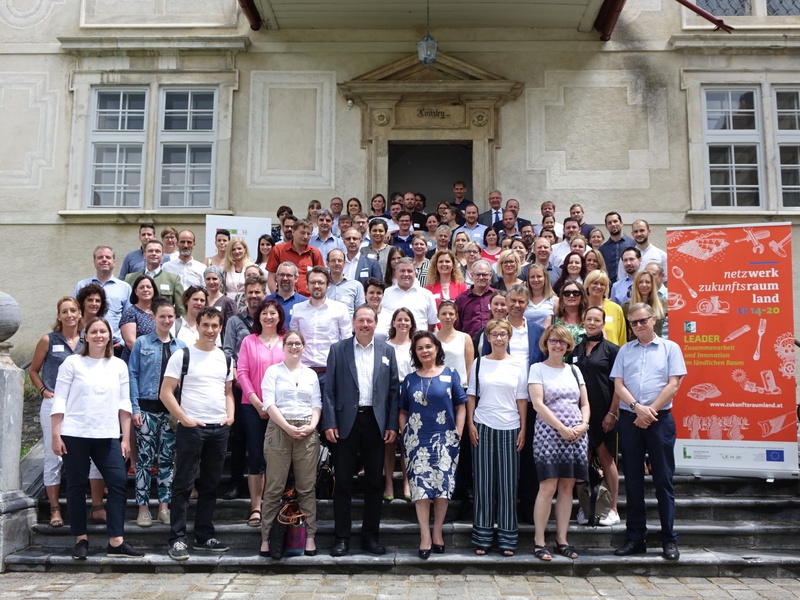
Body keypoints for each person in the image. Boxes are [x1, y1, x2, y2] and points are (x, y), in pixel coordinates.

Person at [51, 317, 143, 559]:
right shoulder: (72, 363)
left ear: (110, 336)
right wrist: (55, 434)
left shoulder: (118, 366)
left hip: (107, 434)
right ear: (86, 336)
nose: (99, 335)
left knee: (118, 481)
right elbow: (59, 399)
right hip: (74, 433)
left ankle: (116, 540)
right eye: (94, 331)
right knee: (76, 486)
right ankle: (81, 539)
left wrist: (125, 439)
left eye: (103, 331)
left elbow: (124, 404)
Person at [612, 303, 687, 561]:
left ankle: (669, 539)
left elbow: (674, 384)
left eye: (643, 321)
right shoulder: (625, 350)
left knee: (663, 481)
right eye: (633, 323)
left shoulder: (670, 348)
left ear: (653, 320)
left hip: (660, 420)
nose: (638, 326)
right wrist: (636, 408)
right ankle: (635, 538)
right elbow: (618, 384)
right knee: (632, 481)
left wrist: (650, 411)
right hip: (631, 420)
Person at [324, 304, 399, 557]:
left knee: (374, 483)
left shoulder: (387, 351)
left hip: (376, 424)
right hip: (346, 423)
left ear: (376, 324)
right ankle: (341, 538)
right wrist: (330, 422)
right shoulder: (338, 349)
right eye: (361, 321)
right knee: (343, 482)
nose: (365, 325)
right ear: (353, 323)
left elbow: (393, 392)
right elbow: (329, 391)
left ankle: (370, 537)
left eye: (369, 320)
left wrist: (391, 424)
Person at [161, 308, 235, 561]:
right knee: (183, 484)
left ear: (220, 326)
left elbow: (228, 392)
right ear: (198, 326)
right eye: (206, 325)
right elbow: (166, 392)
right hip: (192, 428)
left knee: (211, 485)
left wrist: (230, 417)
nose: (210, 330)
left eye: (215, 325)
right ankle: (178, 539)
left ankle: (204, 536)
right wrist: (185, 419)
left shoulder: (225, 358)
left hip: (219, 428)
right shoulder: (182, 355)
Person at [29, 297, 100, 529]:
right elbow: (33, 370)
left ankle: (96, 507)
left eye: (73, 310)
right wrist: (43, 390)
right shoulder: (48, 340)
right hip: (53, 405)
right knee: (53, 457)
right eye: (64, 311)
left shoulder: (87, 339)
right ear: (58, 316)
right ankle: (55, 509)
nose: (69, 315)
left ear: (80, 314)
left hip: (81, 405)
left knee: (91, 454)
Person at [400, 331, 467, 559]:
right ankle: (424, 535)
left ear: (437, 348)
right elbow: (402, 410)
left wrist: (458, 432)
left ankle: (437, 530)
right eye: (420, 348)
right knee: (420, 491)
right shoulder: (410, 379)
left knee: (442, 489)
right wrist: (405, 433)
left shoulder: (451, 374)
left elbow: (461, 405)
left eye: (428, 346)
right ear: (415, 353)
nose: (425, 351)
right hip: (417, 441)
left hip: (445, 440)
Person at [466, 319, 528, 556]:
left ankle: (507, 539)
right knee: (483, 484)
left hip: (511, 427)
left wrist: (523, 428)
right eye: (495, 334)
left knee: (508, 485)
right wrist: (470, 423)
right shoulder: (479, 363)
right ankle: (482, 538)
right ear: (488, 338)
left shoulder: (518, 365)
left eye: (503, 334)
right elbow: (471, 395)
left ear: (509, 337)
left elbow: (522, 399)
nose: (499, 339)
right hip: (483, 425)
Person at [528, 324, 590, 561]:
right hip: (549, 434)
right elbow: (538, 404)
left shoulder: (574, 370)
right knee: (548, 486)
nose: (557, 345)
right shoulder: (537, 369)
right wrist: (561, 428)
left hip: (576, 435)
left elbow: (584, 403)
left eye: (562, 342)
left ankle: (562, 540)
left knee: (567, 487)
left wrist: (583, 425)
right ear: (546, 343)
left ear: (568, 345)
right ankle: (539, 541)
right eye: (553, 340)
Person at [257, 330, 321, 557]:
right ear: (283, 347)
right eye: (290, 343)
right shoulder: (273, 372)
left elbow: (316, 404)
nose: (294, 347)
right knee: (274, 487)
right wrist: (287, 427)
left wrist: (312, 426)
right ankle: (266, 538)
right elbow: (269, 404)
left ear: (304, 346)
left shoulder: (311, 374)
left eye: (298, 343)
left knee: (306, 487)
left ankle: (310, 536)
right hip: (279, 429)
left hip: (306, 431)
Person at [128, 298, 186, 528]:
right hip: (146, 409)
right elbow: (132, 375)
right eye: (162, 316)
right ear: (153, 317)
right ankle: (143, 508)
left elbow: (184, 383)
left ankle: (164, 506)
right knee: (143, 460)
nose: (166, 320)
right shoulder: (142, 344)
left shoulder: (180, 347)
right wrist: (134, 408)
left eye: (170, 316)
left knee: (167, 460)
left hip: (170, 413)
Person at [236, 299, 287, 528]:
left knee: (279, 456)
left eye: (273, 313)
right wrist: (258, 403)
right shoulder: (249, 341)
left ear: (279, 317)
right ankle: (256, 507)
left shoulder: (287, 342)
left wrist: (272, 405)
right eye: (264, 313)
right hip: (252, 406)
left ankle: (274, 503)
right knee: (256, 456)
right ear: (259, 317)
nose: (268, 317)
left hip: (282, 408)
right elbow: (242, 374)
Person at [571, 306, 621, 526]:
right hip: (580, 414)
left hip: (604, 413)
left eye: (596, 320)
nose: (592, 323)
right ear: (583, 322)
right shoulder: (575, 350)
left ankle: (613, 508)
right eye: (588, 319)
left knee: (607, 458)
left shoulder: (612, 350)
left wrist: (612, 412)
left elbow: (619, 385)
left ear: (603, 323)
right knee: (582, 461)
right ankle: (584, 508)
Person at [222, 275, 268, 500]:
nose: (254, 296)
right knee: (239, 438)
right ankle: (235, 484)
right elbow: (228, 352)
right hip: (240, 387)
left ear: (264, 293)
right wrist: (235, 379)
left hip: (265, 389)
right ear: (244, 295)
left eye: (258, 292)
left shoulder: (270, 320)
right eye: (250, 292)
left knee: (262, 440)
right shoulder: (234, 321)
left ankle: (264, 485)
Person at [290, 266, 352, 397]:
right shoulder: (297, 309)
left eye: (321, 282)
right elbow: (293, 342)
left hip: (330, 372)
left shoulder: (340, 309)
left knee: (329, 415)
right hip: (304, 372)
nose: (316, 286)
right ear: (307, 285)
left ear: (328, 285)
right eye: (313, 282)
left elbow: (346, 343)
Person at [383, 308, 416, 502]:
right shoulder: (385, 346)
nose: (403, 323)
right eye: (399, 319)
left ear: (411, 323)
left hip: (411, 396)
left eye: (406, 319)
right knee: (389, 441)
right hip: (389, 396)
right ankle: (388, 482)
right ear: (393, 323)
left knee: (407, 443)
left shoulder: (416, 345)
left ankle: (406, 481)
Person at [73, 245, 131, 349]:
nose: (104, 260)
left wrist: (122, 342)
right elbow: (75, 314)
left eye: (108, 257)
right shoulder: (82, 285)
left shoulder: (125, 287)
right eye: (100, 257)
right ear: (94, 262)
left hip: (115, 345)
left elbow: (129, 318)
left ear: (114, 262)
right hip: (85, 343)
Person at [124, 240, 184, 317]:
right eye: (150, 251)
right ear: (144, 255)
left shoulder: (173, 280)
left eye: (157, 251)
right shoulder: (130, 278)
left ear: (162, 255)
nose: (154, 253)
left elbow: (181, 309)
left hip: (164, 325)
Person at [266, 219, 325, 297]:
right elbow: (271, 278)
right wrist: (277, 299)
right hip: (285, 299)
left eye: (308, 234)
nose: (305, 236)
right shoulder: (278, 250)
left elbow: (321, 277)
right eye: (302, 233)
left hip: (308, 300)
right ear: (293, 232)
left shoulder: (314, 253)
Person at [382, 258, 438, 332]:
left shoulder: (427, 294)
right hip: (392, 341)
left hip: (419, 341)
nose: (406, 274)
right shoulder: (386, 293)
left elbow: (432, 323)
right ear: (396, 272)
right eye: (402, 271)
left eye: (409, 271)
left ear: (415, 273)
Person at [119, 275, 158, 362]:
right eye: (141, 287)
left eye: (148, 287)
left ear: (153, 290)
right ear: (136, 291)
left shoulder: (159, 312)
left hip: (157, 361)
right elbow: (130, 342)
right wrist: (150, 357)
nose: (145, 289)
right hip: (137, 361)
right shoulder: (131, 312)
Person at [616, 219, 668, 285]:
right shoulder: (626, 256)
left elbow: (666, 281)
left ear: (649, 231)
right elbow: (621, 280)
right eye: (636, 231)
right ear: (632, 234)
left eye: (642, 230)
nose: (639, 234)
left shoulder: (662, 255)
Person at [584, 269, 627, 347]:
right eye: (595, 283)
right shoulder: (581, 308)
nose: (598, 286)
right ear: (587, 285)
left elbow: (622, 339)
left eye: (602, 284)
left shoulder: (616, 309)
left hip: (611, 357)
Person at [454, 260, 495, 338]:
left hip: (494, 343)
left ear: (490, 275)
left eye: (485, 274)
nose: (481, 277)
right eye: (478, 274)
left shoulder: (497, 296)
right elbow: (457, 326)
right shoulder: (461, 299)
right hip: (470, 344)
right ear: (472, 275)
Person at [623, 270, 666, 340]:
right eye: (640, 282)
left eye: (647, 282)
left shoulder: (662, 303)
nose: (644, 285)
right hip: (636, 347)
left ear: (652, 284)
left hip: (658, 346)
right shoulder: (627, 306)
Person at [266, 261, 308, 329]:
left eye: (289, 275)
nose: (285, 278)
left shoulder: (305, 303)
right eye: (282, 275)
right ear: (276, 277)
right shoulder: (266, 301)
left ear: (296, 278)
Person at [326, 248, 365, 318]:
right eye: (333, 260)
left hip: (348, 327)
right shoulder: (322, 286)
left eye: (340, 261)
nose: (337, 263)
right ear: (327, 263)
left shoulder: (356, 286)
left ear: (344, 263)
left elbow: (361, 312)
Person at [599, 212, 635, 285]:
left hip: (630, 287)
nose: (613, 224)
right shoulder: (602, 249)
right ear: (606, 226)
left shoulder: (633, 244)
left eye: (615, 221)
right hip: (608, 288)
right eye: (609, 223)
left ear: (621, 223)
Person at [204, 266, 237, 333]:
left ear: (221, 280)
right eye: (208, 279)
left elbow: (232, 327)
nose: (211, 282)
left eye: (214, 279)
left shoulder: (228, 302)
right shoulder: (201, 300)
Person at [222, 237, 253, 305]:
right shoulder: (225, 269)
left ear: (245, 249)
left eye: (239, 248)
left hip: (247, 304)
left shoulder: (252, 267)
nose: (237, 251)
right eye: (233, 249)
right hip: (228, 305)